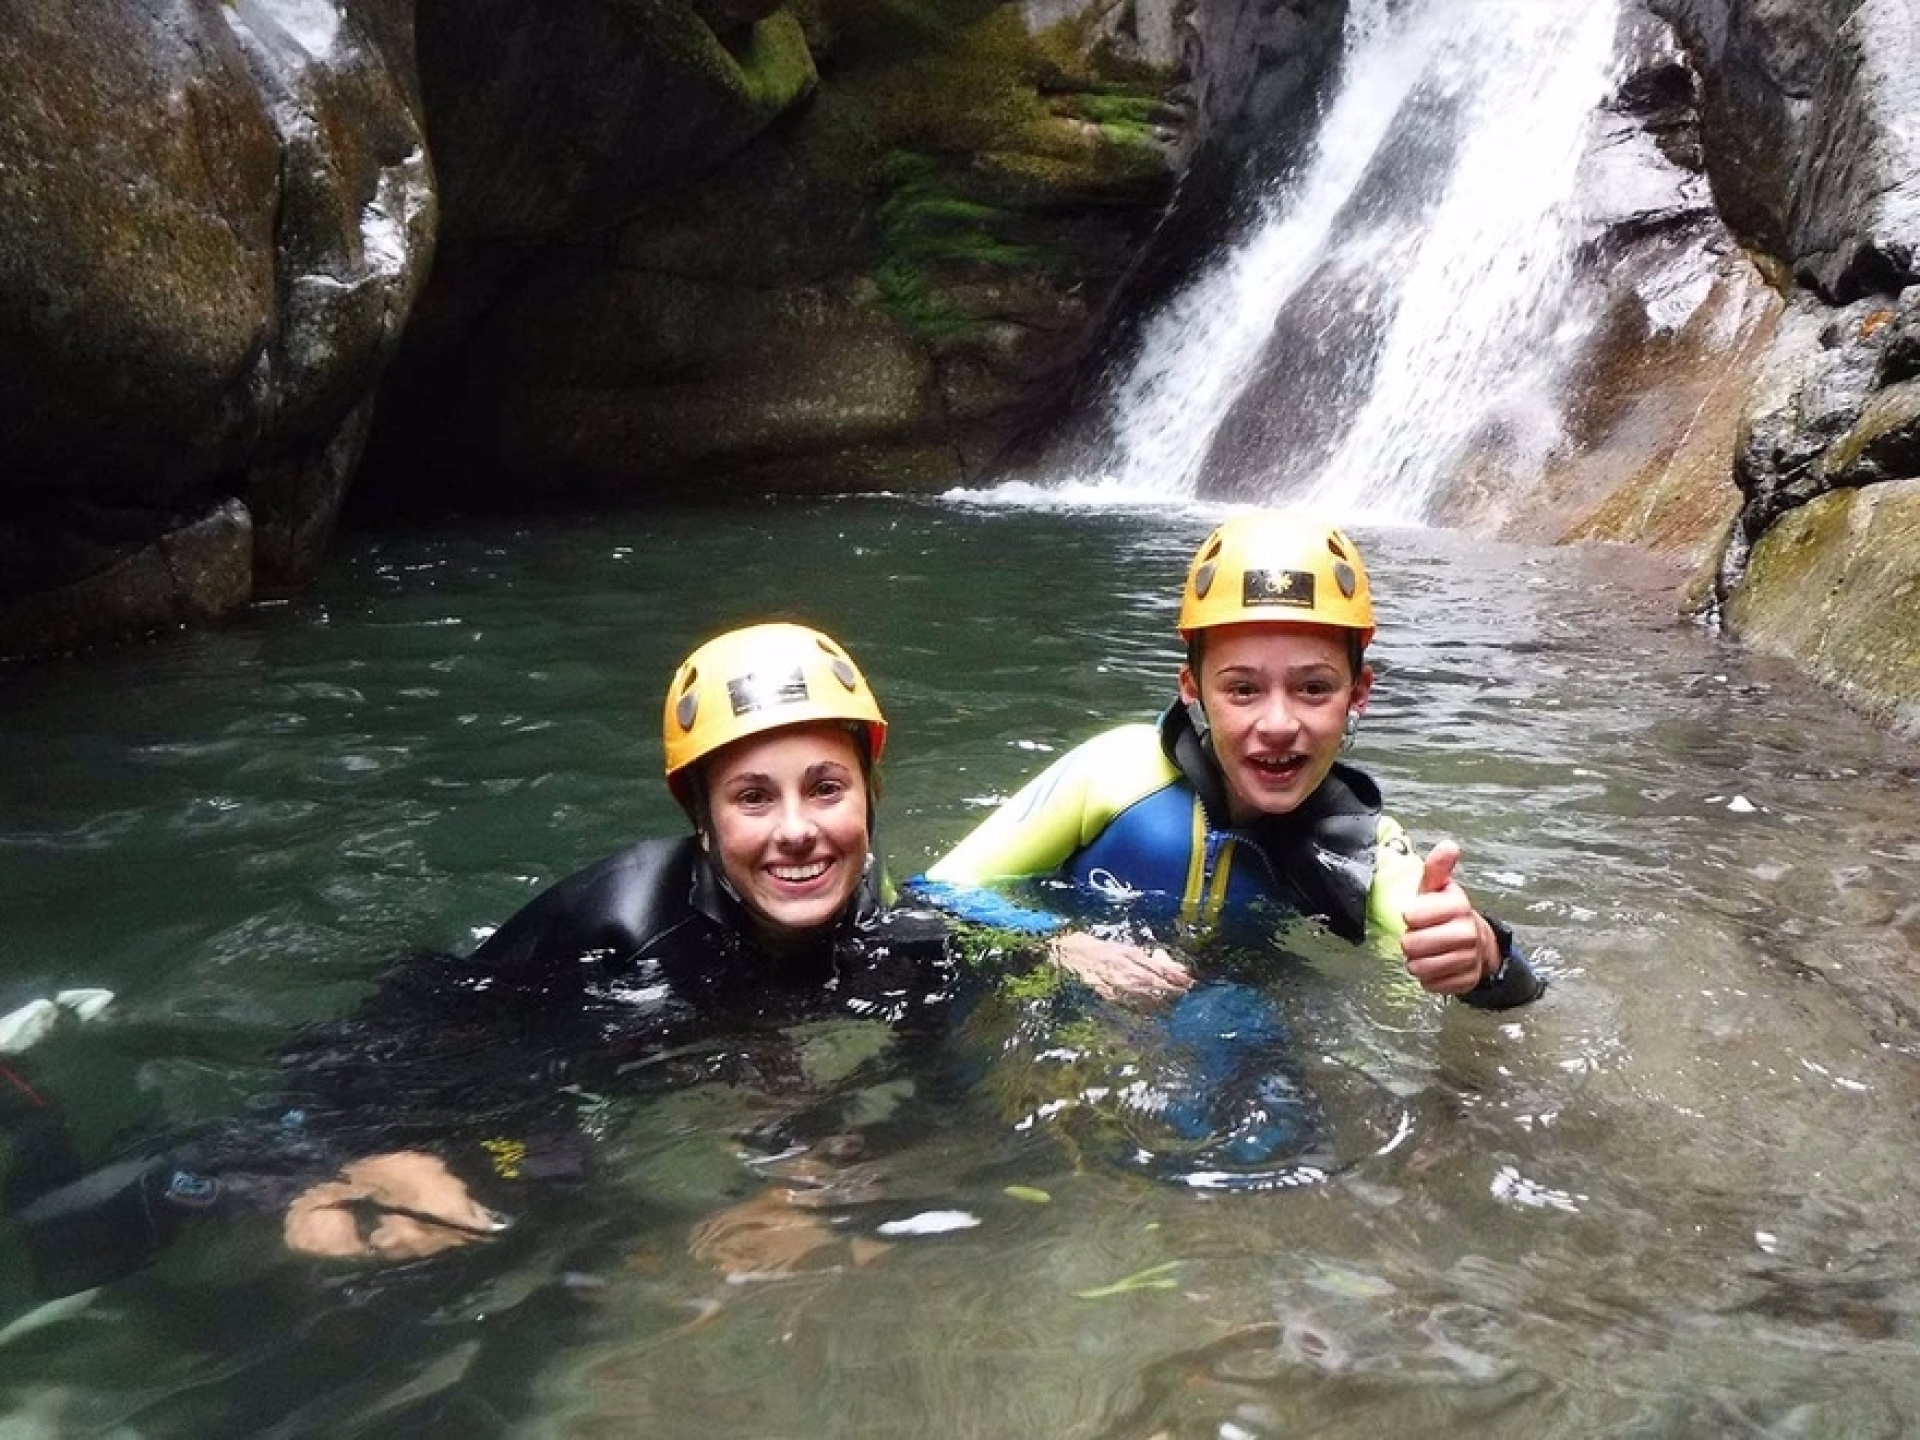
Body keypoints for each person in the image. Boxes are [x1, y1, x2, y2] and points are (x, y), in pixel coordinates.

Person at [8, 623, 957, 1283]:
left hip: (598, 1067)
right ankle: (32, 1113)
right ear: (703, 824)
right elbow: (484, 1065)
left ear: (868, 796)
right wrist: (368, 1154)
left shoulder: (888, 922)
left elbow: (932, 1056)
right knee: (126, 1230)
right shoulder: (630, 932)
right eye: (753, 797)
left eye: (825, 788)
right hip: (438, 1047)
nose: (797, 830)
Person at [910, 511, 1545, 1010]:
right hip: (1055, 1008)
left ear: (1359, 694)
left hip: (1223, 1048)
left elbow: (1483, 966)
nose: (1278, 724)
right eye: (1242, 689)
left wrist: (1483, 956)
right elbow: (936, 894)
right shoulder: (1114, 773)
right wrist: (1057, 944)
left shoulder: (1359, 849)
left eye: (1314, 688)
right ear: (1193, 690)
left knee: (1239, 1030)